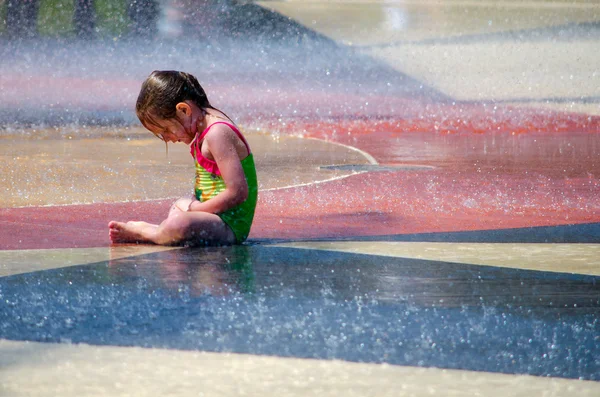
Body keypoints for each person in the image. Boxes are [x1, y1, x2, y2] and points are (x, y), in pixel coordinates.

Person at [109, 70, 258, 246]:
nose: (166, 138)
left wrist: (197, 209)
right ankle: (164, 230)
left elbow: (238, 192)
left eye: (165, 130)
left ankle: (150, 233)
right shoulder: (203, 127)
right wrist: (192, 207)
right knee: (178, 205)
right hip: (211, 215)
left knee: (180, 223)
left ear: (184, 110)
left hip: (229, 226)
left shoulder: (217, 133)